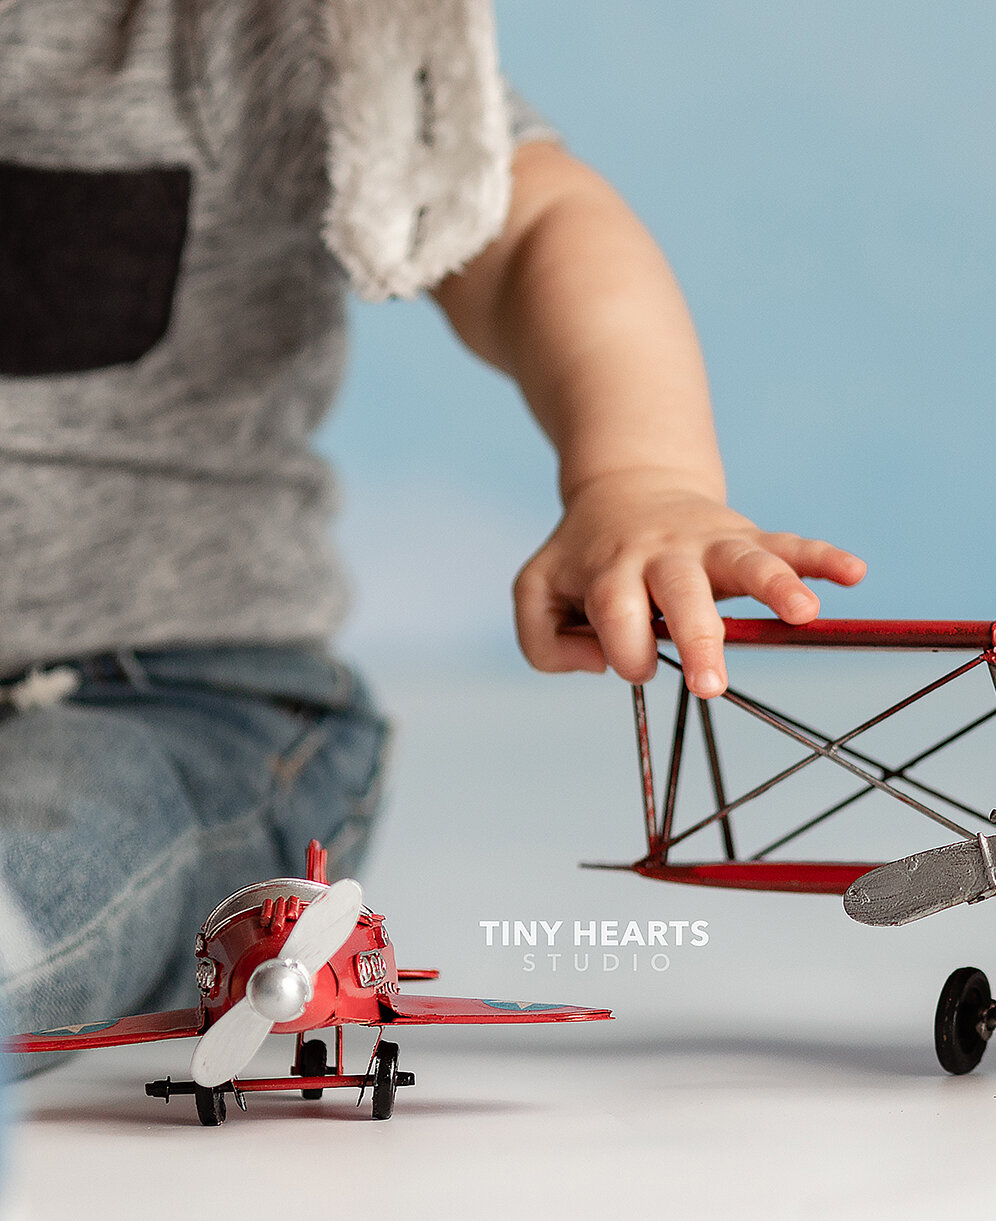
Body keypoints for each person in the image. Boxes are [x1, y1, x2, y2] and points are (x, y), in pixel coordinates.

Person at [0, 1, 863, 1060]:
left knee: (43, 869)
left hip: (166, 700)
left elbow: (525, 225)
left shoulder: (251, 33)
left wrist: (641, 473)